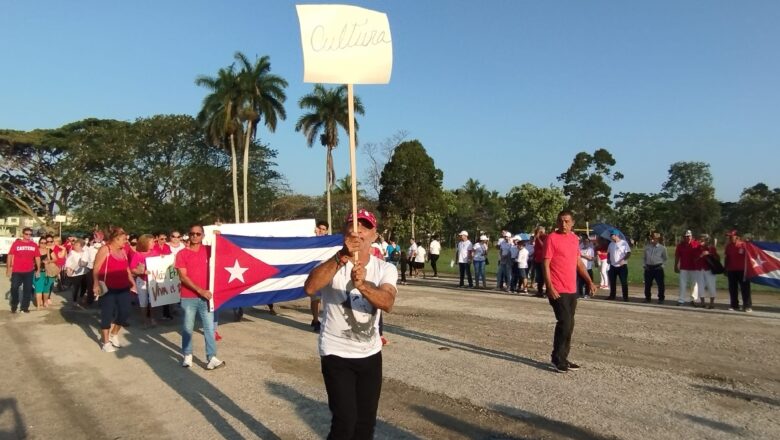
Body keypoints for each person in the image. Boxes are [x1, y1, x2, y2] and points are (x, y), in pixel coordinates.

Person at [303, 208, 397, 440]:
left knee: (365, 425)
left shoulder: (384, 268)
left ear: (374, 235)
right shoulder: (332, 264)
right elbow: (310, 287)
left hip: (370, 354)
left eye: (364, 227)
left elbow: (387, 302)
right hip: (336, 353)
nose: (358, 232)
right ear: (344, 232)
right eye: (352, 226)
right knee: (345, 422)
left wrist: (363, 286)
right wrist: (341, 256)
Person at [544, 210, 596, 373]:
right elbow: (545, 264)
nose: (563, 224)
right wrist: (549, 287)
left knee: (569, 324)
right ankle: (557, 359)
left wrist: (589, 281)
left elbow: (578, 263)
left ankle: (563, 357)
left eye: (567, 221)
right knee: (565, 322)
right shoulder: (551, 238)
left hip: (571, 288)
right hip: (557, 288)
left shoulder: (574, 239)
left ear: (573, 223)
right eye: (560, 221)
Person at [175, 224, 224, 370]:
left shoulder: (210, 251)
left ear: (203, 235)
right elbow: (183, 277)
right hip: (188, 297)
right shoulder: (182, 254)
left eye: (198, 234)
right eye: (192, 234)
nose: (195, 236)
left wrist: (219, 238)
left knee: (209, 328)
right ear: (188, 235)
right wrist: (200, 290)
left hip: (207, 297)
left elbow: (225, 254)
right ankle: (188, 355)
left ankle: (211, 357)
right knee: (187, 327)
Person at [92, 227, 135, 353]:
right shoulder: (105, 249)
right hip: (108, 287)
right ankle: (105, 342)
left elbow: (126, 268)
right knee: (107, 313)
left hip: (123, 286)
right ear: (115, 239)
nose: (125, 242)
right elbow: (96, 268)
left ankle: (114, 333)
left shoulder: (123, 251)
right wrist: (95, 284)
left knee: (125, 311)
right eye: (123, 239)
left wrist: (132, 281)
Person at [130, 234, 160, 327]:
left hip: (153, 280)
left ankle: (152, 318)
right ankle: (144, 321)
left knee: (153, 301)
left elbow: (161, 264)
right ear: (145, 243)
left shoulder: (155, 253)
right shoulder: (138, 254)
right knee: (143, 302)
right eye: (151, 242)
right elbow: (132, 269)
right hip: (142, 281)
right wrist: (142, 271)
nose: (154, 243)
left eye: (154, 241)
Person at [724, 230, 751, 312]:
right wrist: (725, 268)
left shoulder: (744, 245)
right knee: (732, 288)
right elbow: (727, 257)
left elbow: (750, 256)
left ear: (737, 236)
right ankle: (734, 305)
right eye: (729, 237)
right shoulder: (728, 246)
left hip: (743, 270)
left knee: (745, 288)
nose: (730, 238)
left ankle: (747, 306)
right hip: (731, 270)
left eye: (732, 236)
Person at [311, 219, 330, 333]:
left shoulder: (329, 241)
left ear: (327, 231)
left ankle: (325, 321)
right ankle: (315, 320)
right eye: (320, 229)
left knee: (327, 298)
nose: (322, 231)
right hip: (314, 272)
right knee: (315, 298)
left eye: (324, 230)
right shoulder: (312, 241)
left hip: (326, 273)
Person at [674, 230, 700, 306]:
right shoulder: (680, 245)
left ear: (691, 236)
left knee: (694, 284)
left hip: (694, 267)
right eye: (685, 236)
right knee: (682, 284)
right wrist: (676, 266)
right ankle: (681, 299)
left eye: (688, 236)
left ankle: (693, 299)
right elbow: (677, 256)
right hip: (684, 267)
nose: (687, 238)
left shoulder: (696, 244)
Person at [642, 232, 667, 304]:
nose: (652, 240)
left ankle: (661, 298)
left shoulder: (662, 248)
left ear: (658, 239)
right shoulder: (647, 247)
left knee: (660, 284)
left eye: (654, 239)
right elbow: (644, 257)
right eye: (652, 238)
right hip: (648, 267)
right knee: (647, 284)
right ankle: (647, 298)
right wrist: (644, 265)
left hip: (658, 267)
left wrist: (662, 266)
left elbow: (665, 258)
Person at [606, 230, 631, 301]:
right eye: (610, 235)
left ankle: (625, 297)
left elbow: (628, 253)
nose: (611, 237)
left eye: (612, 235)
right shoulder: (611, 244)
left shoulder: (623, 243)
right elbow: (608, 253)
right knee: (612, 282)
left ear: (616, 235)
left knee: (623, 282)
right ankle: (612, 296)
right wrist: (608, 259)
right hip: (613, 266)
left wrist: (624, 260)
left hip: (622, 266)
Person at [696, 234, 719, 309]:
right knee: (700, 286)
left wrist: (710, 253)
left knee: (711, 285)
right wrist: (700, 256)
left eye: (703, 240)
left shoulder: (711, 248)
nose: (700, 241)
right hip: (699, 269)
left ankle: (712, 303)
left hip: (709, 269)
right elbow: (694, 260)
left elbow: (717, 258)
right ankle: (702, 302)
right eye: (700, 239)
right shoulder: (697, 248)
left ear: (707, 240)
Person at [65, 239, 89, 306]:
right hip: (75, 273)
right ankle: (74, 300)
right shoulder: (72, 252)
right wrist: (68, 268)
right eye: (74, 244)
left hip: (84, 272)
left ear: (81, 246)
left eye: (77, 245)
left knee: (84, 286)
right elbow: (68, 261)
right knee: (76, 287)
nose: (75, 246)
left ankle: (81, 297)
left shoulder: (85, 252)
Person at [533, 226, 547, 297]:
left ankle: (547, 292)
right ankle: (539, 291)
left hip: (543, 260)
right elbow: (535, 248)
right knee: (539, 277)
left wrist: (538, 238)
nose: (536, 233)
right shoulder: (536, 239)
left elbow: (544, 246)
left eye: (537, 232)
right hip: (537, 260)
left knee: (544, 276)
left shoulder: (545, 237)